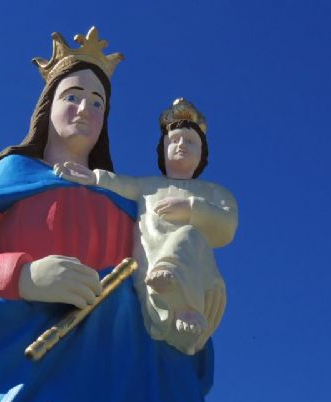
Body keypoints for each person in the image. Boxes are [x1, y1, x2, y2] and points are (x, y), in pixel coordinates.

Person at [0, 28, 214, 402]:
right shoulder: (12, 179)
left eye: (98, 103)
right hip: (42, 379)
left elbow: (181, 260)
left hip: (137, 376)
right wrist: (25, 276)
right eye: (72, 96)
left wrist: (189, 304)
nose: (85, 109)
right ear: (48, 106)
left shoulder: (127, 203)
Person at [55, 98, 238, 356]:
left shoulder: (214, 192)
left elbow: (227, 225)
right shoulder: (149, 186)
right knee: (159, 283)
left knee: (187, 234)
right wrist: (92, 177)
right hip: (149, 270)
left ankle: (187, 306)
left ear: (202, 153)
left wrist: (191, 208)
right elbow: (119, 184)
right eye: (173, 141)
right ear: (162, 150)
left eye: (190, 141)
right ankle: (168, 297)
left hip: (197, 279)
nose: (181, 145)